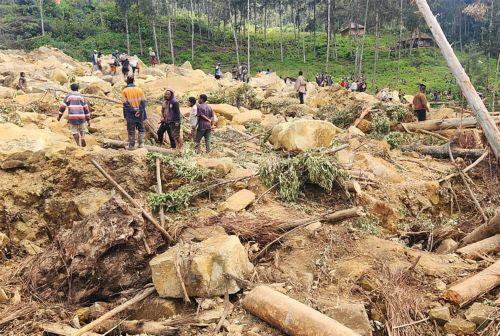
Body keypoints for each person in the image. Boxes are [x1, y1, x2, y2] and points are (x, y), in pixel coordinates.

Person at [121, 76, 147, 149]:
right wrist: (139, 111)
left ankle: (131, 145)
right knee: (141, 129)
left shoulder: (124, 91)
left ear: (127, 81)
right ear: (134, 81)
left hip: (130, 114)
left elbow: (125, 104)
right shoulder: (139, 90)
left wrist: (133, 111)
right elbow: (144, 102)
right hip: (140, 114)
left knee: (131, 130)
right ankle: (141, 144)